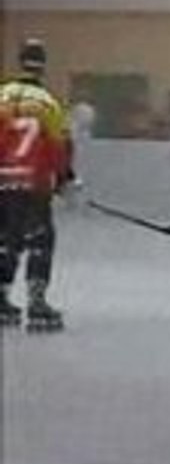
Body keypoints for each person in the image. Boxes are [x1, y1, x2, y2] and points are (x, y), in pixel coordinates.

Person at [0, 38, 74, 331]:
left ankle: (1, 297)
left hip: (3, 182)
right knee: (40, 241)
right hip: (34, 183)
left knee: (5, 241)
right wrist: (65, 178)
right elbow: (59, 147)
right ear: (42, 66)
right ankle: (37, 301)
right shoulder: (48, 104)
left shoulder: (2, 96)